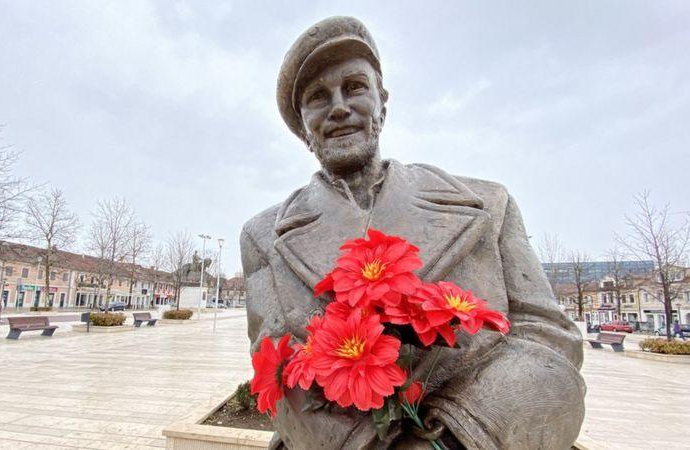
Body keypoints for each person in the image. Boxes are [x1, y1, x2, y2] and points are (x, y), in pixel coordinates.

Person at [241, 16, 585, 450]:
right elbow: (276, 371)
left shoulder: (489, 205)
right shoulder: (262, 236)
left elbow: (550, 341)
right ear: (304, 129)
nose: (339, 106)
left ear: (382, 103)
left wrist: (454, 435)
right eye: (317, 98)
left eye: (355, 87)